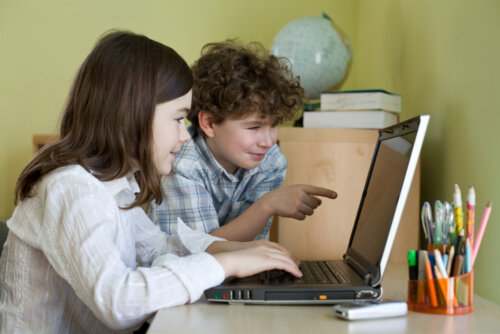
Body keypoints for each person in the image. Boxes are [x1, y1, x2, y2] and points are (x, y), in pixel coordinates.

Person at [0, 31, 301, 334]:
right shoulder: (70, 189)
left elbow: (158, 247)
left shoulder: (113, 183)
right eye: (178, 119)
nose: (185, 135)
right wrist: (226, 265)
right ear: (133, 114)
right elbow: (118, 302)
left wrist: (240, 251)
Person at [148, 40, 337, 241]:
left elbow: (251, 245)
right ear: (210, 123)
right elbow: (198, 254)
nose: (268, 141)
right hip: (182, 268)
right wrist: (266, 205)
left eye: (274, 125)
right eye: (254, 127)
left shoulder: (271, 161)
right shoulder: (181, 165)